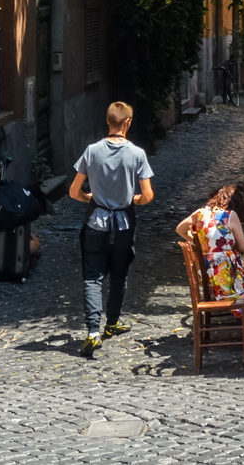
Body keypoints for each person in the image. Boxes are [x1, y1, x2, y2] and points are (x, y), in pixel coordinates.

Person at [69, 101, 154, 359]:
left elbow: (74, 192)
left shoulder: (92, 151)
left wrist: (91, 199)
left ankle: (93, 332)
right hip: (124, 224)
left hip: (96, 222)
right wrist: (132, 200)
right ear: (127, 122)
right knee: (119, 274)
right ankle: (112, 322)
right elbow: (147, 195)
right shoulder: (137, 154)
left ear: (108, 121)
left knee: (92, 276)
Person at [180, 184, 244, 346]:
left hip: (212, 280)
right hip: (230, 279)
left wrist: (200, 244)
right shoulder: (230, 215)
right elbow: (243, 247)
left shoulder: (199, 213)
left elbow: (179, 229)